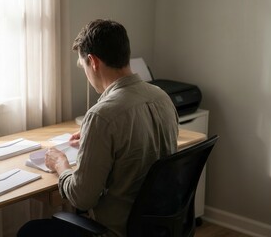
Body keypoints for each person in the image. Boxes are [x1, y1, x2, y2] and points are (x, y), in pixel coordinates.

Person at [18, 19, 178, 237]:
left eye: (82, 65)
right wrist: (95, 142)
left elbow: (81, 197)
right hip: (158, 228)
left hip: (116, 231)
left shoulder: (101, 115)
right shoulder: (162, 97)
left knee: (30, 231)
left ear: (93, 61)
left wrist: (61, 164)